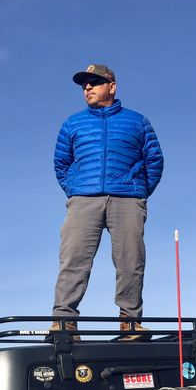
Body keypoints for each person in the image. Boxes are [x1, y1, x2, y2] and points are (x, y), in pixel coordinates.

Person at [49, 63, 164, 340]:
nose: (87, 87)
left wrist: (139, 192)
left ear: (111, 86)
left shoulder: (137, 121)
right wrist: (75, 190)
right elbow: (61, 163)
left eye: (95, 82)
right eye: (84, 84)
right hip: (83, 200)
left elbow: (154, 160)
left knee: (130, 261)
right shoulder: (72, 123)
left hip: (128, 199)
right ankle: (64, 323)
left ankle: (130, 323)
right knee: (73, 258)